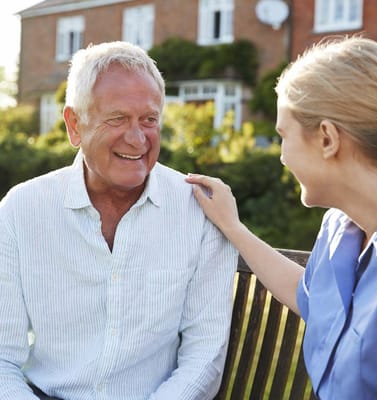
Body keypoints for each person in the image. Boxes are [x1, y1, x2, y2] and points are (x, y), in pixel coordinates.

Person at [186, 36, 377, 399]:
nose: (283, 156)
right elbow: (308, 297)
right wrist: (232, 227)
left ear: (328, 138)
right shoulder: (341, 227)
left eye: (284, 136)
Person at [0, 41, 238, 400]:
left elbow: (204, 357)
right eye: (117, 119)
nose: (137, 137)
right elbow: (3, 357)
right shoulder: (22, 209)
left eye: (149, 120)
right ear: (74, 124)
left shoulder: (199, 211)